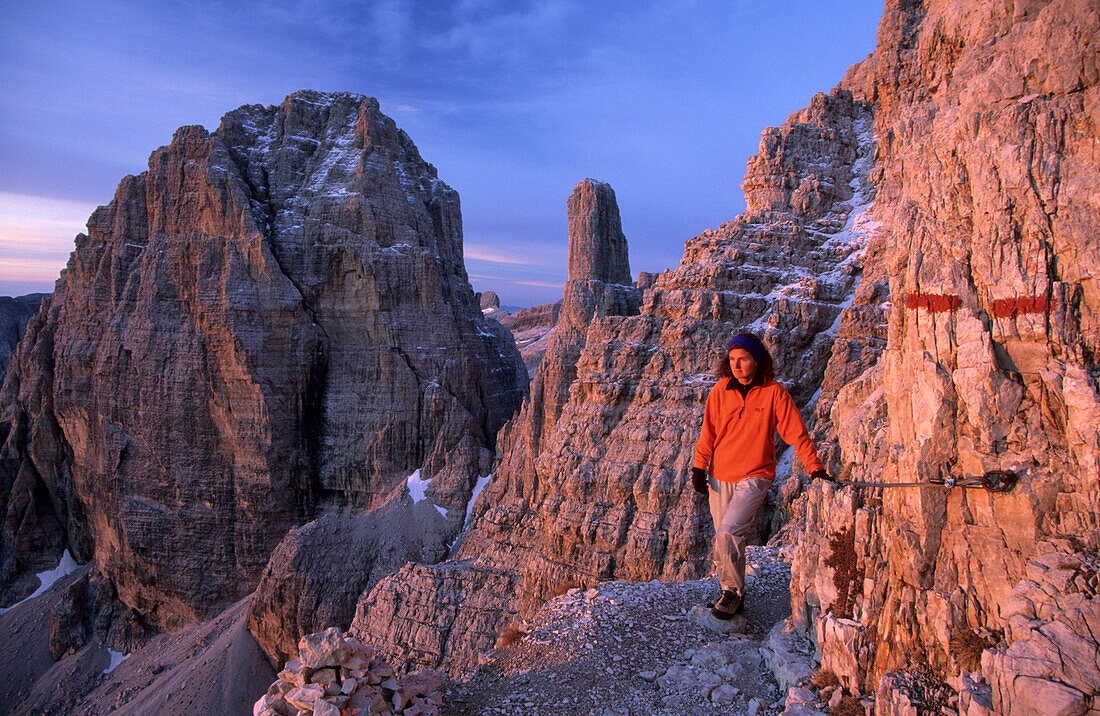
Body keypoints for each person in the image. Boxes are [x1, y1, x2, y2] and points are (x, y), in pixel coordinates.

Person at [692, 332, 830, 619]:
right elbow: (709, 432)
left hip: (755, 474)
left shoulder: (774, 393)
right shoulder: (720, 391)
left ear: (757, 360)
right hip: (719, 475)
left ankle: (731, 593)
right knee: (724, 538)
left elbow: (796, 433)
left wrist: (814, 466)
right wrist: (698, 466)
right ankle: (734, 592)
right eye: (732, 360)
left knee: (729, 531)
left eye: (743, 359)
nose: (737, 366)